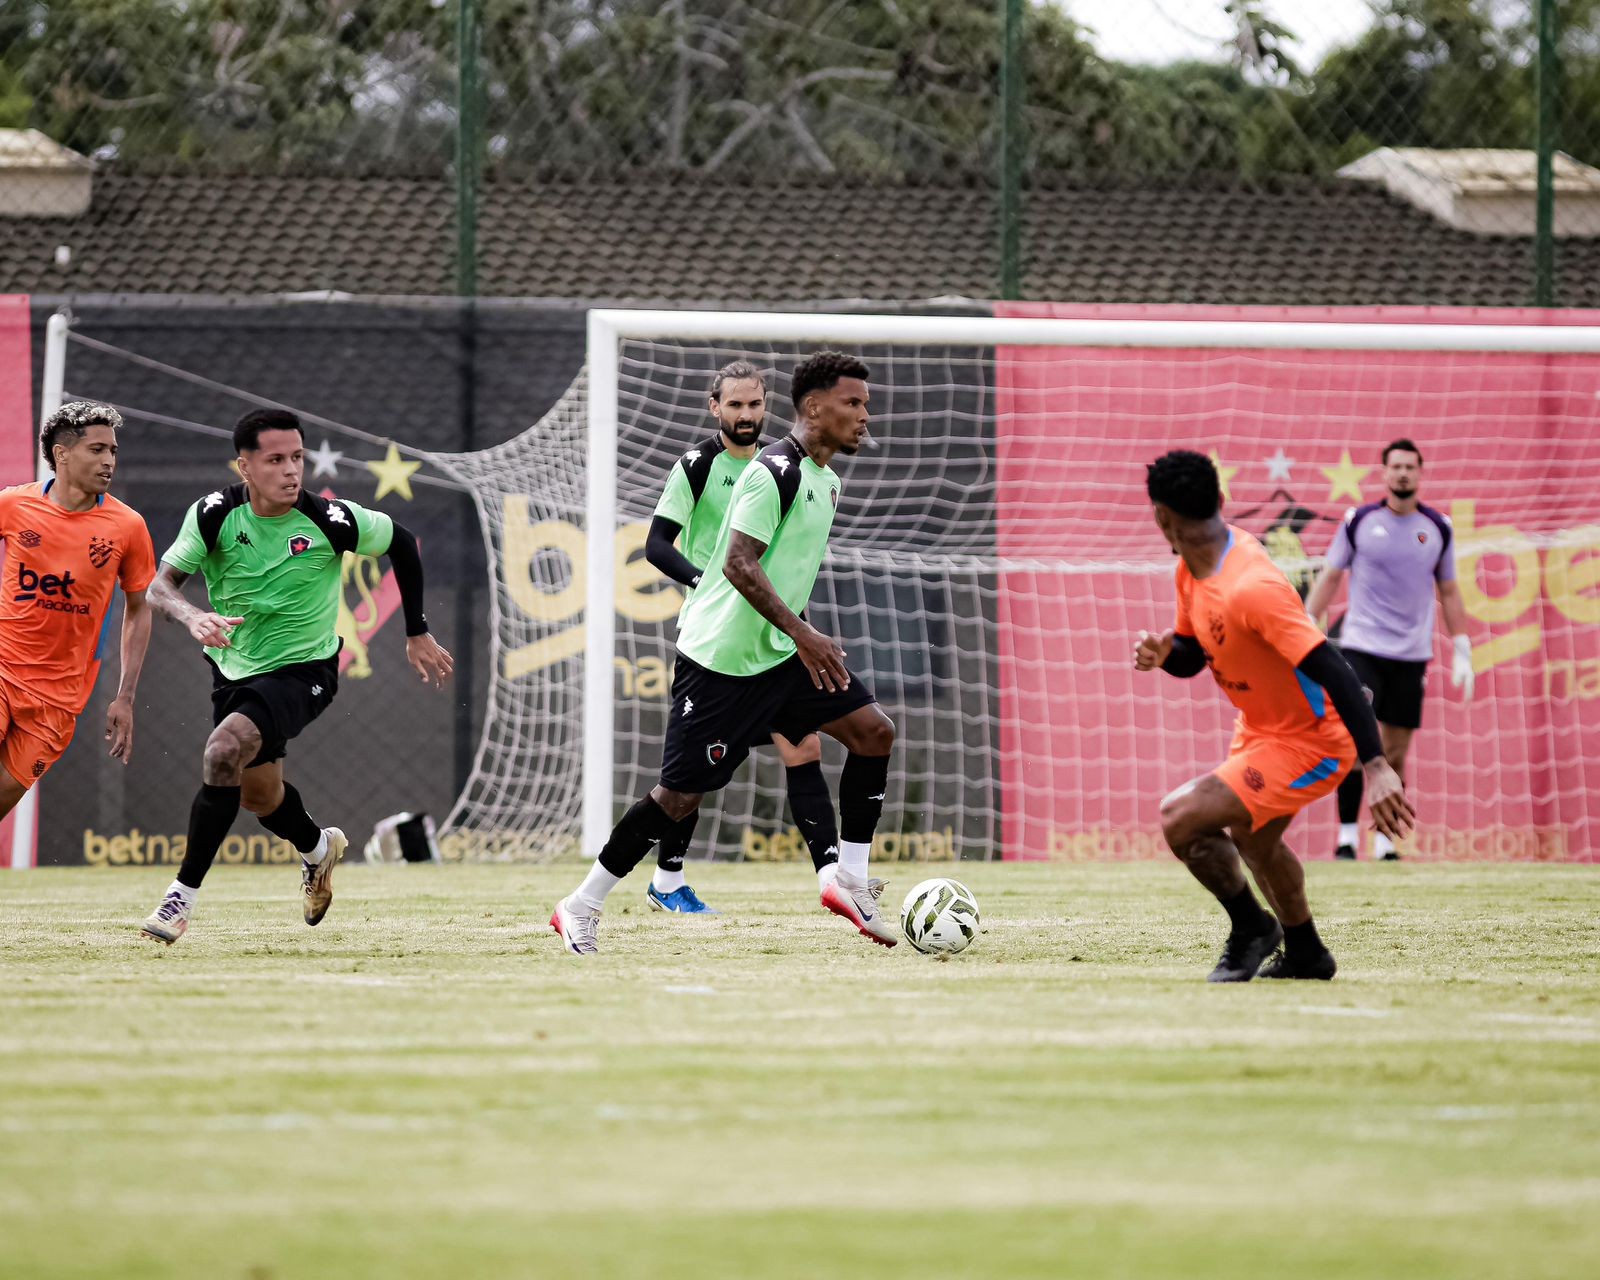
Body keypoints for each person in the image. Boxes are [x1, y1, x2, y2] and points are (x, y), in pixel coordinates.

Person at [552, 351, 897, 955]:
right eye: (854, 404)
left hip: (780, 653)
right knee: (678, 798)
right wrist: (805, 633)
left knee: (873, 733)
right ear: (814, 407)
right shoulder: (774, 473)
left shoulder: (828, 479)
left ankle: (852, 879)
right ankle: (581, 904)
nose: (866, 416)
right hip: (720, 660)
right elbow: (739, 565)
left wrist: (798, 638)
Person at [139, 409, 453, 944]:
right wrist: (193, 615)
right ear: (245, 466)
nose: (291, 471)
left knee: (221, 752)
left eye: (298, 458)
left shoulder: (331, 521)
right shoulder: (214, 515)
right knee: (260, 796)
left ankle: (179, 899)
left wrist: (416, 629)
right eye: (275, 460)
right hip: (233, 671)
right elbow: (159, 587)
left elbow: (401, 540)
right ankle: (317, 848)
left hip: (305, 670)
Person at [1134, 450, 1413, 982]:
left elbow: (1334, 668)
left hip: (1315, 740)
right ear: (1220, 499)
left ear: (1161, 518)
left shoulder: (1252, 587)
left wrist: (1375, 765)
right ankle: (1307, 952)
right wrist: (1166, 654)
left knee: (1180, 818)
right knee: (1256, 843)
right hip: (1262, 730)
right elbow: (1194, 655)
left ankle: (1251, 929)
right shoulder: (1190, 570)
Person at [644, 359, 880, 914]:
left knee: (807, 747)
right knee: (689, 781)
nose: (746, 414)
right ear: (715, 407)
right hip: (721, 634)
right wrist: (704, 582)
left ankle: (837, 877)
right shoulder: (698, 466)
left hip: (773, 634)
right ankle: (668, 878)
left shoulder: (796, 467)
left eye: (755, 404)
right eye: (734, 405)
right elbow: (657, 545)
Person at [1302, 438, 1473, 861]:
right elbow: (1329, 575)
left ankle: (1383, 842)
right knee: (1359, 744)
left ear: (1419, 472)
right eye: (1395, 466)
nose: (1402, 474)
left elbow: (1449, 590)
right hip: (1361, 648)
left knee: (1395, 752)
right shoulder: (1359, 521)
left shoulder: (1438, 528)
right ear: (1383, 473)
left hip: (1411, 655)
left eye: (1410, 467)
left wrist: (1464, 646)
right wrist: (1306, 624)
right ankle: (1345, 838)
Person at [0, 402, 155, 820]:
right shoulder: (14, 505)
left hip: (59, 698)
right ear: (61, 454)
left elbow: (139, 609)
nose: (109, 461)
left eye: (113, 451)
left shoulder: (127, 526)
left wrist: (125, 696)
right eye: (97, 449)